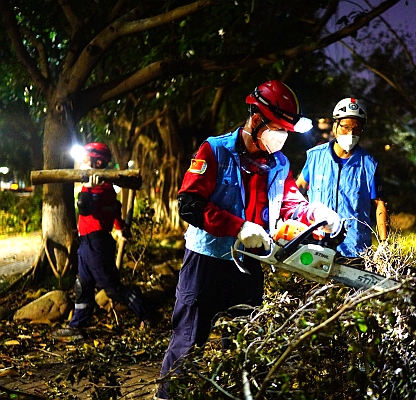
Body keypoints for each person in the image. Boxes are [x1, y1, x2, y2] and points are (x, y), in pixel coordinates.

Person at [155, 80, 340, 399]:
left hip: (250, 263)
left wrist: (316, 214)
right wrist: (237, 227)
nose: (281, 137)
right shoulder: (215, 149)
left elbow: (290, 204)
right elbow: (190, 204)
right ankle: (166, 396)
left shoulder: (279, 163)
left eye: (285, 131)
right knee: (187, 341)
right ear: (256, 120)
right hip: (206, 262)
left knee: (248, 344)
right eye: (277, 128)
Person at [53, 142, 153, 339]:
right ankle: (77, 327)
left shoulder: (101, 189)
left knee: (112, 288)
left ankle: (147, 315)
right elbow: (115, 210)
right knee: (83, 285)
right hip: (87, 243)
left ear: (98, 161)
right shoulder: (107, 189)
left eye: (87, 158)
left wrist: (87, 190)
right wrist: (121, 227)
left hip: (97, 244)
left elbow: (84, 208)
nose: (83, 161)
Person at [296, 98, 388, 262]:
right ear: (335, 126)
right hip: (317, 245)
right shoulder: (315, 157)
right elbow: (298, 189)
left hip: (355, 251)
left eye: (356, 129)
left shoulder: (368, 164)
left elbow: (379, 204)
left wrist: (383, 243)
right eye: (345, 127)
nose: (350, 134)